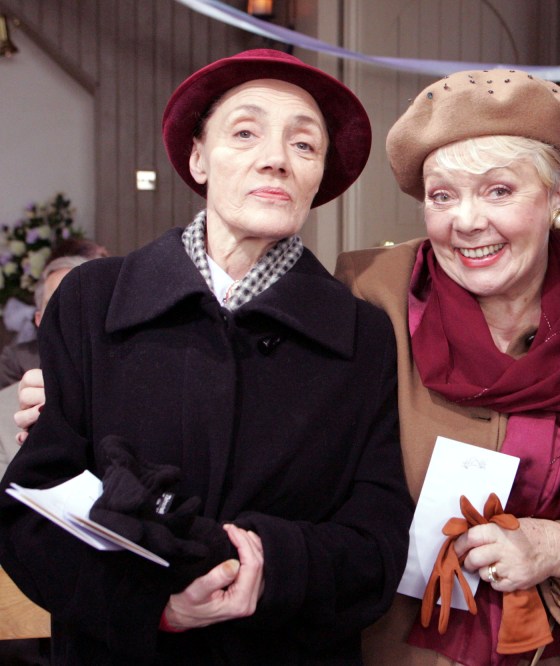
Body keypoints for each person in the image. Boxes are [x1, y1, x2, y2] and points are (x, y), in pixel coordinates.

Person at [0, 49, 412, 665]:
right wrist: (153, 604)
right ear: (197, 156)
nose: (275, 157)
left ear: (319, 176)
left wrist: (270, 564)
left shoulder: (363, 336)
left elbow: (376, 544)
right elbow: (30, 511)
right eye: (245, 132)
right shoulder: (93, 301)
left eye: (304, 145)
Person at [333, 70, 560, 665]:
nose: (466, 221)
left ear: (558, 196)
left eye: (498, 191)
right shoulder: (369, 302)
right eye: (442, 196)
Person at [0, 256, 91, 389]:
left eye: (76, 302)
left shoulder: (118, 358)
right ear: (39, 319)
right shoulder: (17, 361)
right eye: (54, 304)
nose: (66, 313)